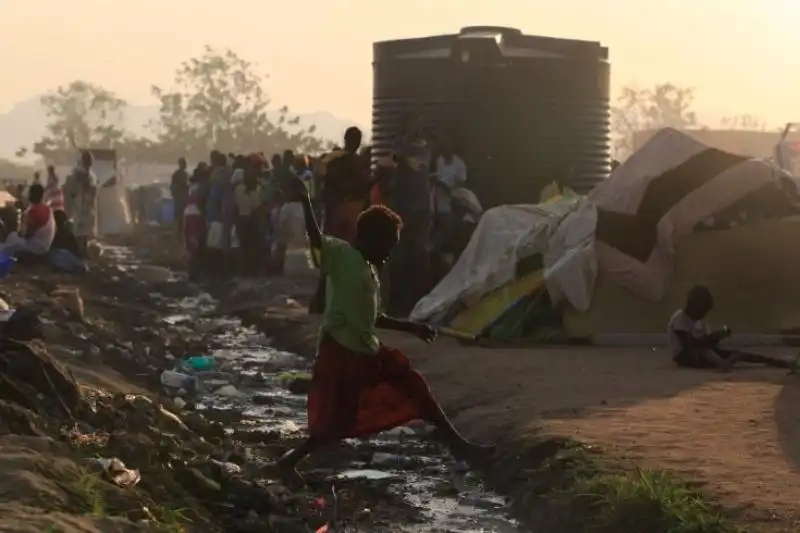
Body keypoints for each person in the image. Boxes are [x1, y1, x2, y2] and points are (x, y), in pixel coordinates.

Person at [273, 174, 493, 481]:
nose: (389, 254)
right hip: (342, 350)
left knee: (414, 387)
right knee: (337, 420)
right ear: (369, 239)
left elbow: (373, 316)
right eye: (388, 246)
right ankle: (288, 462)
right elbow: (316, 238)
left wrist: (411, 328)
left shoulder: (369, 271)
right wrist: (306, 200)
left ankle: (460, 446)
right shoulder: (342, 256)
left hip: (364, 349)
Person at [309, 127, 371, 313]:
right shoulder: (357, 162)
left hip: (338, 213)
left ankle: (326, 299)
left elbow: (321, 180)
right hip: (348, 214)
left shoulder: (334, 160)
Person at [668, 285, 795, 371]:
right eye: (702, 311)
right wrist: (712, 338)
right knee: (704, 351)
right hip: (684, 356)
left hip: (703, 352)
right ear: (692, 306)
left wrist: (718, 336)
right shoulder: (680, 319)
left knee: (739, 354)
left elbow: (707, 343)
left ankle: (774, 361)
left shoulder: (700, 321)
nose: (703, 314)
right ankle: (723, 364)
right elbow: (690, 345)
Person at [388, 112, 433, 316]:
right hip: (403, 206)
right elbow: (396, 157)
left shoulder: (425, 146)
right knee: (400, 255)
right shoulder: (401, 144)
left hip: (420, 206)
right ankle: (398, 303)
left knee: (418, 256)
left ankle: (415, 302)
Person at [0, 184, 55, 258]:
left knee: (7, 240)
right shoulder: (47, 208)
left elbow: (26, 234)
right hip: (44, 245)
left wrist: (21, 221)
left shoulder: (35, 211)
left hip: (36, 247)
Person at [432, 139, 467, 251]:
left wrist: (446, 188)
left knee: (448, 231)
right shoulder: (439, 161)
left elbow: (461, 183)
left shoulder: (459, 163)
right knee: (441, 228)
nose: (445, 150)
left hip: (452, 202)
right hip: (438, 201)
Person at [234, 154, 265, 276]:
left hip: (246, 221)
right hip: (249, 221)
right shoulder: (256, 189)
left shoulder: (240, 188)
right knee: (249, 248)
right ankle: (249, 271)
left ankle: (246, 272)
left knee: (246, 248)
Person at [63, 151, 98, 256]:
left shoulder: (91, 176)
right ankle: (78, 251)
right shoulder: (76, 174)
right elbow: (71, 191)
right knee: (78, 230)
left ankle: (82, 250)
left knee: (84, 231)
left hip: (86, 208)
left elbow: (93, 192)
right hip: (79, 207)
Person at [170, 157, 190, 233]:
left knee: (179, 215)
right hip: (180, 197)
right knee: (179, 214)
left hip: (180, 196)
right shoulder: (181, 174)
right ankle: (178, 231)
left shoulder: (179, 174)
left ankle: (178, 230)